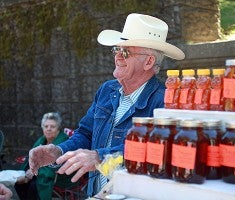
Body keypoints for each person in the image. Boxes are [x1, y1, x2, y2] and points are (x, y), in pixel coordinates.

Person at [28, 13, 185, 197]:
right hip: (97, 193)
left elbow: (157, 151)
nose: (117, 56)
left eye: (125, 52)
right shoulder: (106, 90)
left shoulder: (165, 100)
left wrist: (100, 157)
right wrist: (58, 150)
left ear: (149, 61)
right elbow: (86, 133)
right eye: (116, 50)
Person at [14, 112, 77, 200]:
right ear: (42, 127)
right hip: (40, 173)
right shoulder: (42, 139)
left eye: (52, 126)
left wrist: (30, 175)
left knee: (33, 186)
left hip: (58, 176)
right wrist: (27, 171)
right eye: (46, 126)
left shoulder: (63, 140)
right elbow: (31, 157)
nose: (49, 129)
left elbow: (55, 164)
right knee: (19, 184)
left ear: (58, 128)